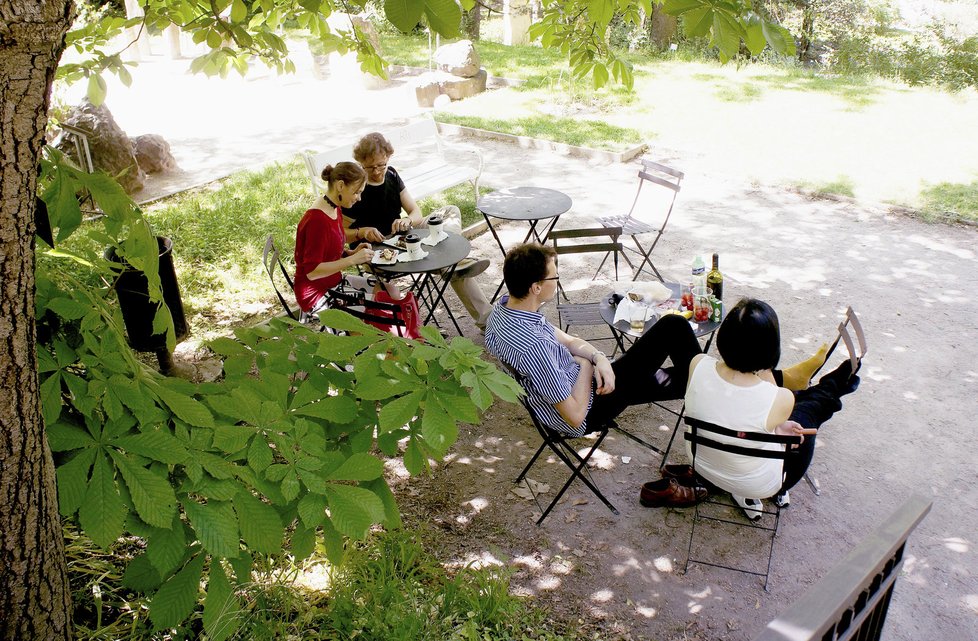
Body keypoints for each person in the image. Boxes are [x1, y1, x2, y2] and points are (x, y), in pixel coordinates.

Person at [485, 243, 704, 438]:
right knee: (674, 327)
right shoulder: (533, 347)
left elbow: (569, 341)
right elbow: (576, 417)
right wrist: (586, 365)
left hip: (577, 383)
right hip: (590, 407)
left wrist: (599, 359)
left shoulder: (503, 310)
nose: (558, 280)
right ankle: (712, 392)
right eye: (555, 277)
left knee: (682, 376)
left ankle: (708, 389)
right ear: (536, 288)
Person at [682, 298, 861, 519]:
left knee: (796, 410)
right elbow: (769, 414)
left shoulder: (697, 363)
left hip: (702, 463)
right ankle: (831, 386)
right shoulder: (780, 398)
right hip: (758, 483)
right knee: (807, 413)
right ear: (771, 349)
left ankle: (828, 386)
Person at [342, 132, 492, 330]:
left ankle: (450, 263)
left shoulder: (392, 175)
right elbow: (341, 233)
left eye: (382, 165)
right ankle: (455, 269)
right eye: (371, 167)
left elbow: (416, 213)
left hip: (403, 236)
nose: (377, 171)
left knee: (450, 212)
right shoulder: (357, 188)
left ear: (388, 158)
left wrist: (406, 220)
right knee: (453, 265)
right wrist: (362, 232)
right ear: (361, 163)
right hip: (377, 248)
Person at [293, 162, 373, 314]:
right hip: (317, 292)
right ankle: (359, 335)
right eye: (356, 192)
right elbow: (312, 271)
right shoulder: (317, 220)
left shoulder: (334, 208)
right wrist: (352, 260)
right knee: (374, 309)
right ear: (341, 186)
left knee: (389, 292)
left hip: (333, 281)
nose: (359, 198)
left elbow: (328, 254)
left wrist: (352, 253)